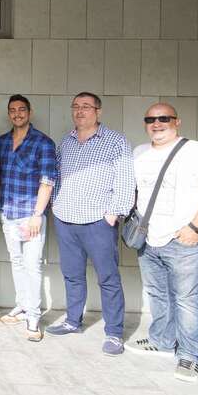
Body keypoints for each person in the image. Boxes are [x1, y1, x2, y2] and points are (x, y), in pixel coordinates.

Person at [128, 103, 198, 382]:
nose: (156, 123)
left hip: (184, 240)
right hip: (149, 240)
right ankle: (161, 341)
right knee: (158, 294)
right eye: (150, 119)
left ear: (177, 121)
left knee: (187, 299)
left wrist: (196, 227)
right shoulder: (139, 153)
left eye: (163, 119)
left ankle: (189, 356)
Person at [47, 92, 135, 356]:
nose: (80, 111)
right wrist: (55, 204)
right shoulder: (67, 141)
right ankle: (73, 321)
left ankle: (114, 333)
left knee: (108, 278)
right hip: (66, 219)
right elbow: (57, 175)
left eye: (86, 107)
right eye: (76, 106)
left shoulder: (116, 141)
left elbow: (126, 180)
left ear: (98, 111)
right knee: (72, 275)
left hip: (99, 221)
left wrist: (115, 212)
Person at [0, 95, 57, 342]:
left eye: (22, 110)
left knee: (33, 265)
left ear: (29, 112)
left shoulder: (43, 142)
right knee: (17, 262)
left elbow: (47, 181)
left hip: (30, 216)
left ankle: (34, 315)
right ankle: (22, 305)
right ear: (9, 114)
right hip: (7, 214)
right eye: (12, 110)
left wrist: (37, 216)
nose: (17, 114)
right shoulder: (1, 142)